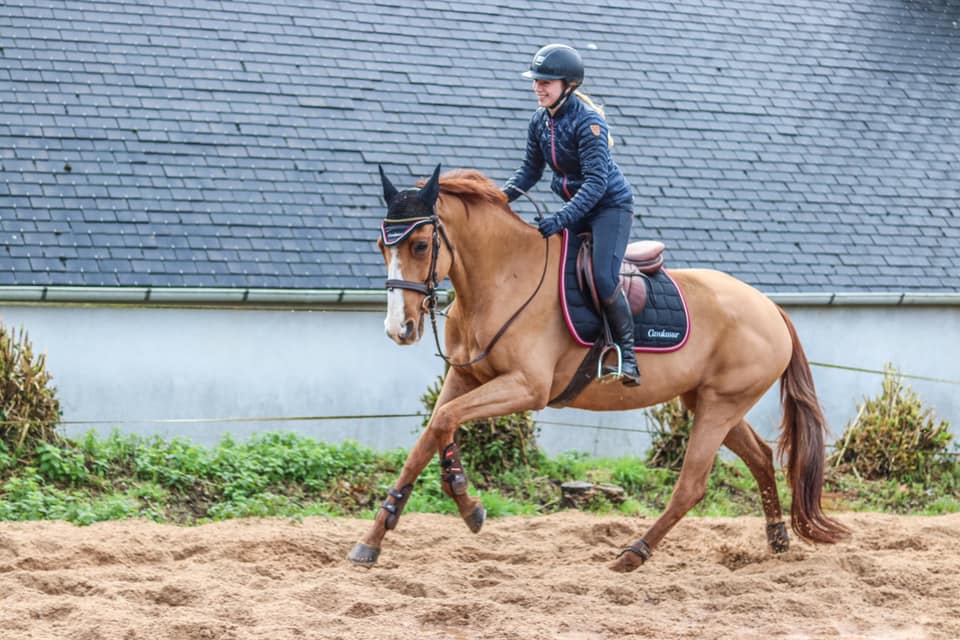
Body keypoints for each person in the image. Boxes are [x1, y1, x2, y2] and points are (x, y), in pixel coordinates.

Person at [503, 43, 641, 386]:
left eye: (546, 82)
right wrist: (494, 199)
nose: (539, 87)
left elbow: (596, 184)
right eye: (536, 81)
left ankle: (628, 357)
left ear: (569, 85)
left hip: (609, 207)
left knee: (604, 277)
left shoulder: (589, 123)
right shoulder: (539, 121)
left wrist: (561, 218)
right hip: (576, 206)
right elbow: (528, 173)